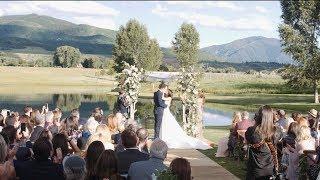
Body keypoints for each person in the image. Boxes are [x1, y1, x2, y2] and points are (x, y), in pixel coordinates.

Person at [245, 105, 283, 180]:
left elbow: (247, 141)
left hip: (254, 168)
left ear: (259, 116)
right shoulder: (277, 131)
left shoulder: (251, 130)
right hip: (270, 168)